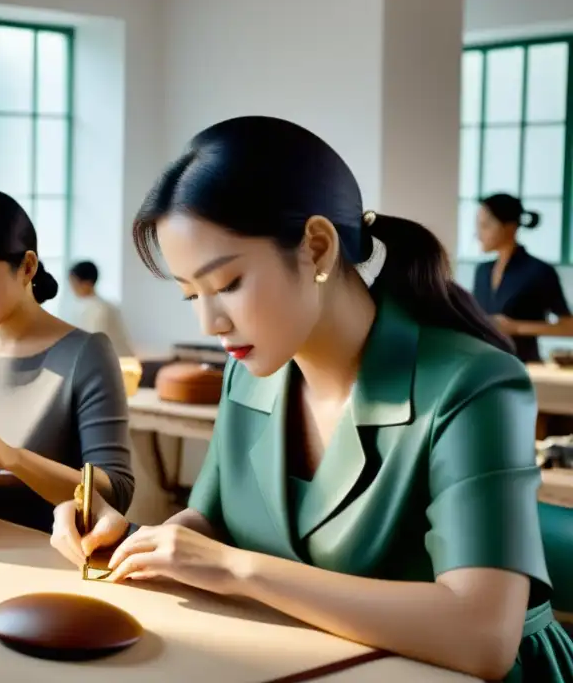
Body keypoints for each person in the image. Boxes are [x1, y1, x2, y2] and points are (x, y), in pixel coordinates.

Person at [49, 117, 573, 682]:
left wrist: (237, 571)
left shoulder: (475, 384)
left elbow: (481, 637)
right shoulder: (248, 373)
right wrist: (131, 541)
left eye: (226, 284)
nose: (211, 321)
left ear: (318, 248)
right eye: (192, 294)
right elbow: (212, 523)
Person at [0, 189, 134, 532]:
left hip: (42, 553)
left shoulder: (86, 353)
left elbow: (117, 493)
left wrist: (11, 457)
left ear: (27, 267)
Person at [473, 193, 573, 363]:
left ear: (510, 227)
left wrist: (516, 327)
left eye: (485, 225)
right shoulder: (483, 271)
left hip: (523, 366)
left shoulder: (539, 271)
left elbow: (568, 327)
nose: (478, 234)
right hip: (483, 366)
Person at [67, 261, 135, 357]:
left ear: (86, 283)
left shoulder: (100, 309)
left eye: (74, 283)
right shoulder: (83, 306)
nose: (72, 288)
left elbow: (93, 344)